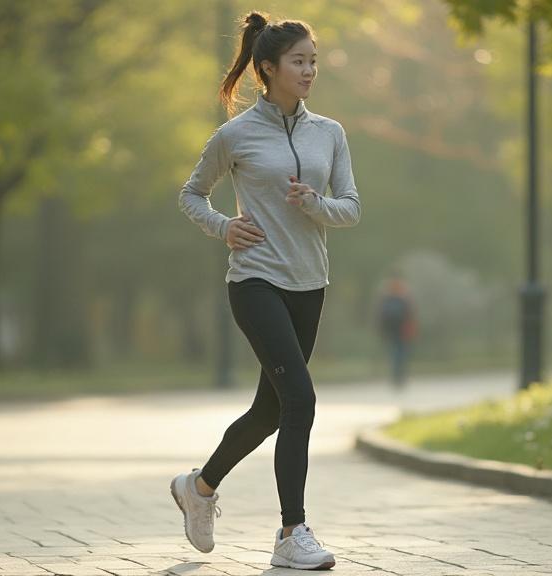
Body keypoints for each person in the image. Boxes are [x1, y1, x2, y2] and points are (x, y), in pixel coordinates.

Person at [169, 11, 360, 571]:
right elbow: (191, 194)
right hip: (254, 280)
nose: (309, 71)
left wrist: (316, 205)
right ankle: (291, 533)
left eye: (313, 61)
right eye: (299, 62)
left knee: (270, 410)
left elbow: (351, 207)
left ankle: (198, 488)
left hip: (309, 283)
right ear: (269, 69)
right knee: (300, 399)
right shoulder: (236, 134)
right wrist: (224, 227)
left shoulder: (331, 133)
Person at [378, 274, 417, 389]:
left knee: (396, 353)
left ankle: (397, 377)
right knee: (400, 354)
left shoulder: (387, 297)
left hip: (394, 331)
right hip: (400, 331)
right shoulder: (404, 297)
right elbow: (410, 315)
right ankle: (399, 377)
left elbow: (381, 316)